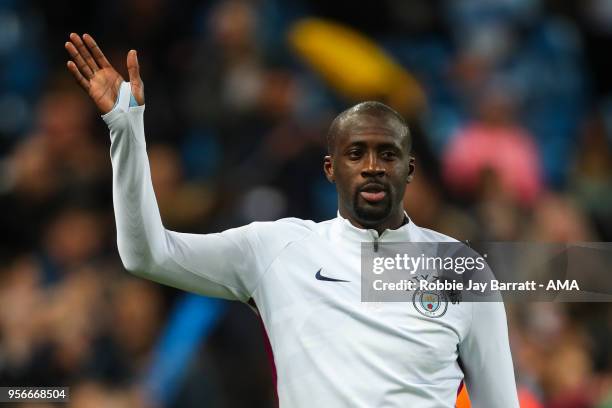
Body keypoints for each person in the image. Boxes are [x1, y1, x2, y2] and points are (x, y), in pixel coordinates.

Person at [64, 33, 519, 407]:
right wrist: (126, 131)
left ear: (410, 170)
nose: (373, 167)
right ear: (330, 169)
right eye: (356, 153)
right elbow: (147, 255)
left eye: (388, 154)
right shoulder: (277, 249)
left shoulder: (462, 270)